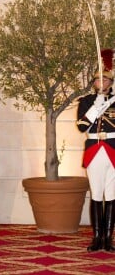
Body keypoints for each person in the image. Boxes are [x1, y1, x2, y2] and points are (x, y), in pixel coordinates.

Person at [77, 48, 115, 252]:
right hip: (94, 149)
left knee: (111, 195)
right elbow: (82, 127)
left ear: (111, 82)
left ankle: (108, 239)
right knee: (96, 194)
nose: (102, 83)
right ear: (94, 82)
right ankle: (97, 237)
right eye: (99, 80)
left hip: (113, 149)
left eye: (106, 80)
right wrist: (96, 106)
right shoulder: (85, 102)